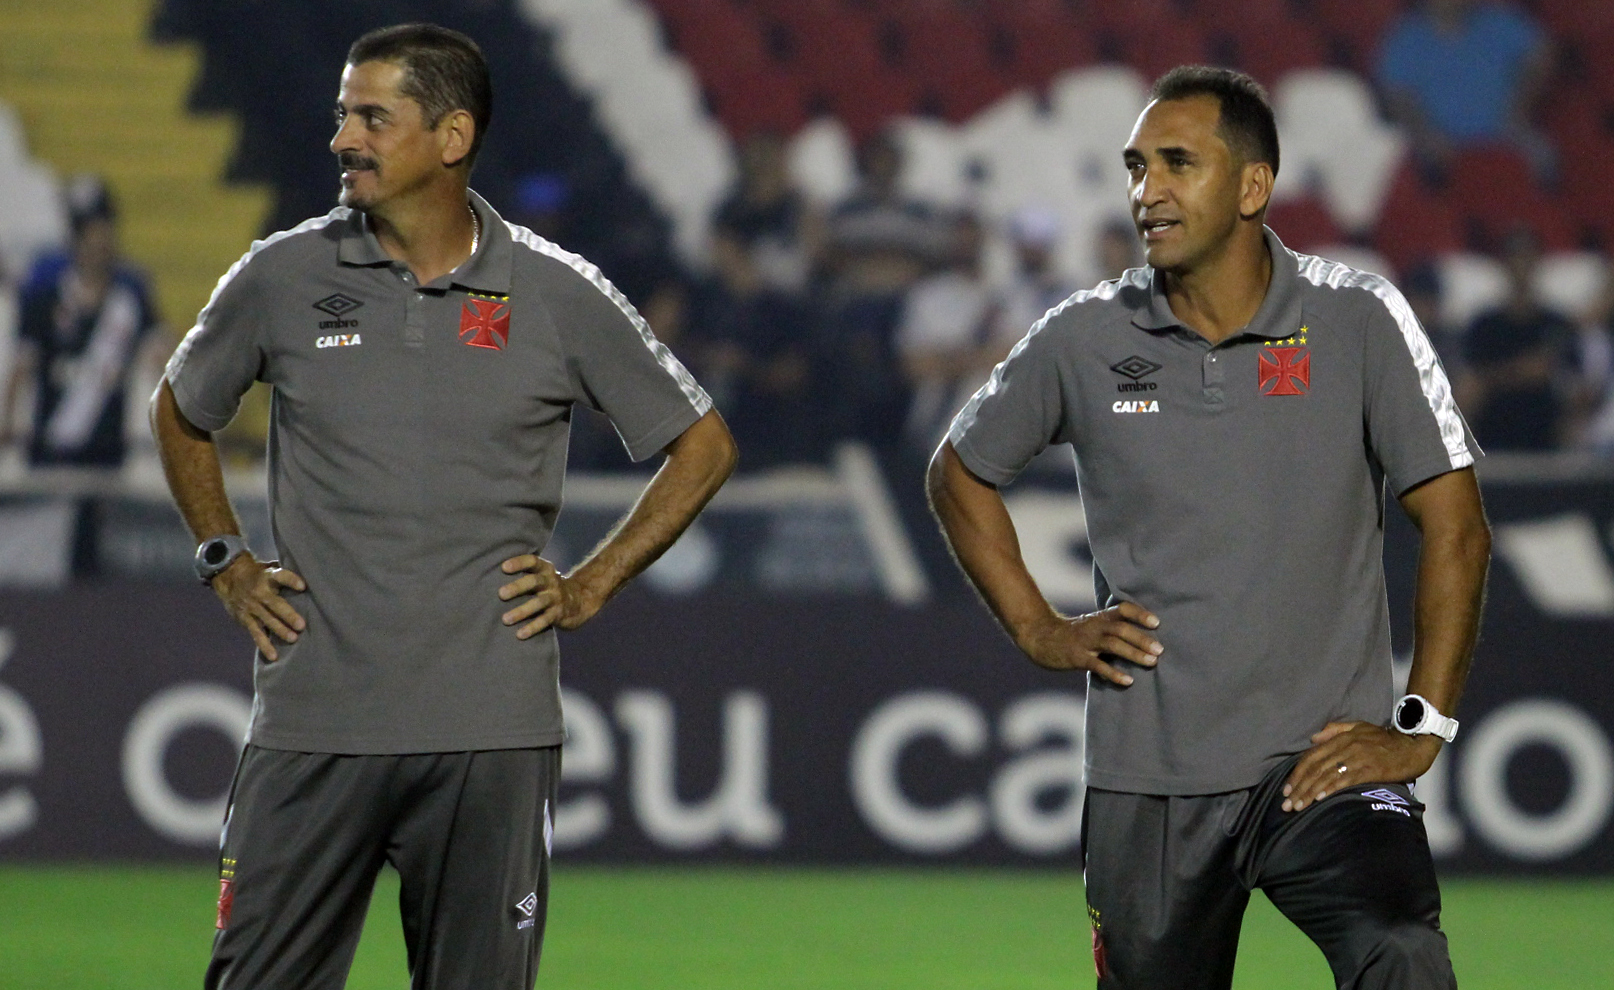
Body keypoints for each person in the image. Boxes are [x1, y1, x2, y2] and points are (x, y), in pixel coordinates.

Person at [150, 24, 735, 990]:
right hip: (314, 721)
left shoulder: (554, 291)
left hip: (489, 733)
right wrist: (225, 556)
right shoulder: (282, 276)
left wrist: (591, 584)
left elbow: (703, 444)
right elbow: (179, 409)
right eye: (344, 114)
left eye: (373, 117)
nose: (343, 138)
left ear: (452, 136)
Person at [927, 66, 1490, 989]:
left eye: (1177, 164)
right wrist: (1038, 627)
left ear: (1253, 186)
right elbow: (958, 471)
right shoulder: (1082, 336)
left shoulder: (1356, 318)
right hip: (1150, 775)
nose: (1147, 192)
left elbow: (1457, 526)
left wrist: (1421, 726)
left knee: (1401, 950)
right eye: (1136, 167)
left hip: (1324, 763)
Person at [2, 175, 165, 467]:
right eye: (88, 231)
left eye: (103, 229)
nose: (97, 240)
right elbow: (23, 365)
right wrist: (8, 421)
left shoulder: (130, 294)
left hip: (107, 458)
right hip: (49, 455)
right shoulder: (45, 294)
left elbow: (161, 360)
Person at [1377, 0, 1553, 179]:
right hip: (1444, 147)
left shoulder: (1499, 19)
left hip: (1511, 131)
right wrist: (1424, 133)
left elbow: (1541, 57)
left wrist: (1519, 108)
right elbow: (1397, 95)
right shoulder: (1405, 41)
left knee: (1545, 159)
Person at [1455, 228, 1576, 450]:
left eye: (1528, 257)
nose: (1521, 265)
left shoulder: (1557, 324)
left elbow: (1574, 385)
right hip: (1492, 441)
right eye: (1515, 257)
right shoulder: (1485, 327)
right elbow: (1470, 386)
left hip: (1546, 442)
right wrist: (1521, 373)